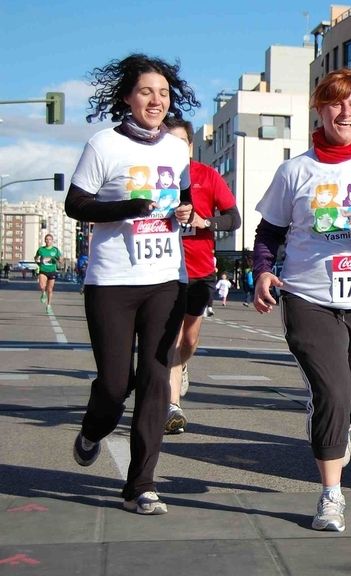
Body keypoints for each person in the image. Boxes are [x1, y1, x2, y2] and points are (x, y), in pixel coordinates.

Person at [251, 68, 351, 532]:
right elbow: (268, 234)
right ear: (320, 109)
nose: (344, 112)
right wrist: (263, 272)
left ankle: (331, 418)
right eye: (335, 103)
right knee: (334, 393)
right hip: (308, 297)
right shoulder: (295, 171)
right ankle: (331, 496)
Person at [65, 53, 199, 515]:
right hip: (112, 280)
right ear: (127, 97)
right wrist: (126, 207)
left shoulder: (176, 150)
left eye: (163, 93)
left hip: (165, 278)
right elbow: (76, 204)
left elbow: (184, 203)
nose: (156, 100)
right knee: (114, 383)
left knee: (155, 380)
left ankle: (140, 484)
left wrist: (186, 213)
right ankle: (93, 429)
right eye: (146, 92)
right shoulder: (104, 145)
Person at [162, 116, 241, 434]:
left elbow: (233, 219)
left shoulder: (207, 176)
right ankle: (172, 408)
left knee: (189, 339)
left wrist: (204, 220)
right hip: (164, 272)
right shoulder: (154, 176)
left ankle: (182, 366)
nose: (175, 147)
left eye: (181, 142)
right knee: (173, 337)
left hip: (200, 270)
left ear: (190, 146)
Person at [34, 233, 62, 313]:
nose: (48, 241)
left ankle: (49, 305)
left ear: (52, 241)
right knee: (42, 285)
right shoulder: (41, 249)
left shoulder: (55, 250)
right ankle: (43, 293)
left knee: (50, 289)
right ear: (44, 240)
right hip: (43, 270)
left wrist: (59, 260)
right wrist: (37, 262)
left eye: (50, 239)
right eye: (46, 239)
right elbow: (36, 257)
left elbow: (60, 260)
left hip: (52, 271)